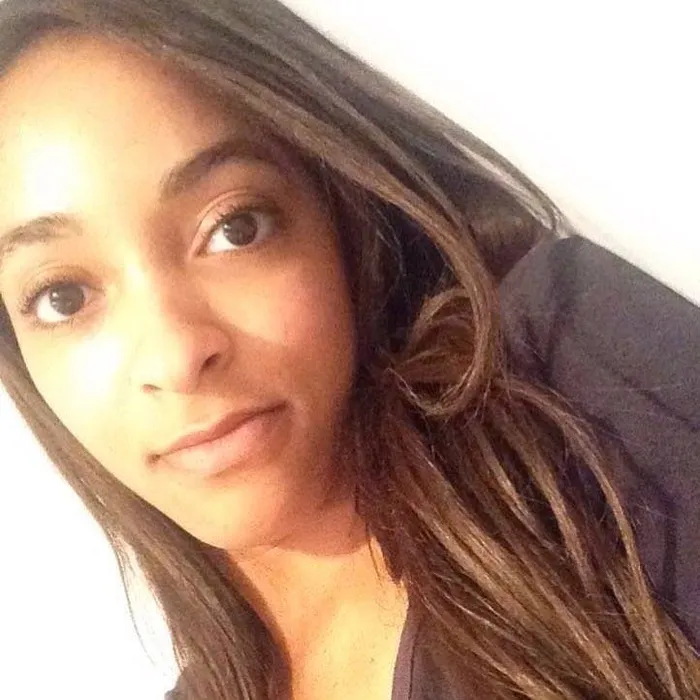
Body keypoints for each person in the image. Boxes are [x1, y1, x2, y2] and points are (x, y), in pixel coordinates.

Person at [0, 1, 697, 699]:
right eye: (62, 296)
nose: (174, 356)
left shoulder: (575, 385)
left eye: (236, 228)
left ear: (337, 213)